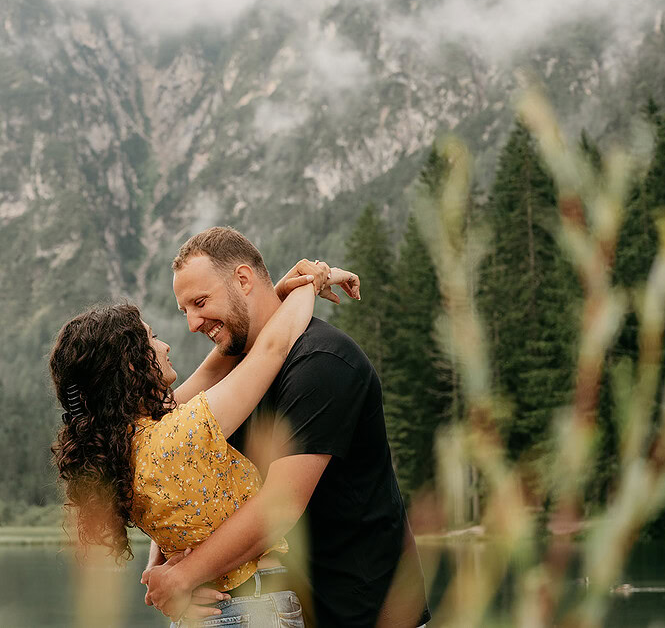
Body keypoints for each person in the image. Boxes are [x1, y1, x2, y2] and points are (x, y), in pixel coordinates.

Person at [143, 227, 430, 627]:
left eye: (200, 301)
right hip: (283, 609)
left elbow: (280, 505)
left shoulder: (322, 363)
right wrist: (166, 566)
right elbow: (166, 454)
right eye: (183, 310)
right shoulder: (240, 377)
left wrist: (182, 576)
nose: (192, 323)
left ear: (243, 280)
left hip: (364, 611)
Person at [50, 258, 358, 626]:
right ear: (132, 365)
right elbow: (272, 348)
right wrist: (313, 281)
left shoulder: (125, 448)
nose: (164, 346)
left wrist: (273, 296)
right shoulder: (181, 433)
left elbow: (216, 366)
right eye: (152, 338)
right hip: (251, 612)